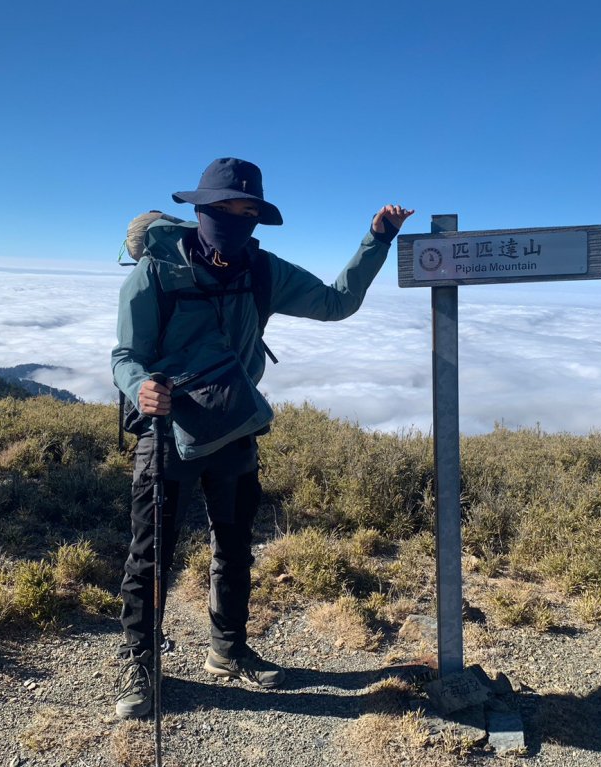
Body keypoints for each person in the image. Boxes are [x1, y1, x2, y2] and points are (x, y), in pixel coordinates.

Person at [111, 157, 413, 718]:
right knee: (151, 554)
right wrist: (138, 386)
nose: (235, 218)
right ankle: (141, 665)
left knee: (233, 546)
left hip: (233, 426)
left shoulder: (263, 271)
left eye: (247, 210)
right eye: (225, 208)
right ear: (200, 209)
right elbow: (124, 356)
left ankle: (228, 650)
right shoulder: (154, 273)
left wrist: (377, 239)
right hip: (167, 429)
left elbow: (335, 303)